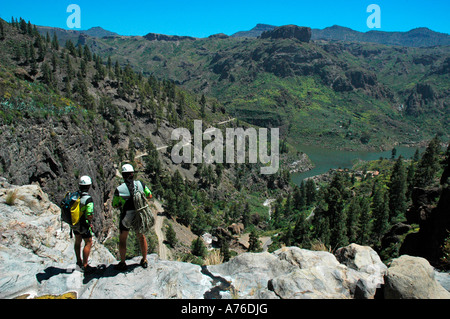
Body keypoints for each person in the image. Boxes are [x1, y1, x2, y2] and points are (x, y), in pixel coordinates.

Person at [112, 164, 152, 270]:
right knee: (141, 236)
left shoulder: (119, 189)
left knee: (123, 239)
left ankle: (123, 262)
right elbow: (150, 195)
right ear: (132, 174)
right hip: (139, 215)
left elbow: (114, 204)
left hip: (126, 216)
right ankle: (144, 260)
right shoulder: (140, 184)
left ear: (123, 175)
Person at [74, 175, 95, 274]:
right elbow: (89, 214)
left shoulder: (74, 196)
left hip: (75, 223)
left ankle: (78, 261)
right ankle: (85, 265)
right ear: (89, 186)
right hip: (83, 224)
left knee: (77, 241)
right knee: (88, 242)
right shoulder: (88, 199)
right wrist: (90, 223)